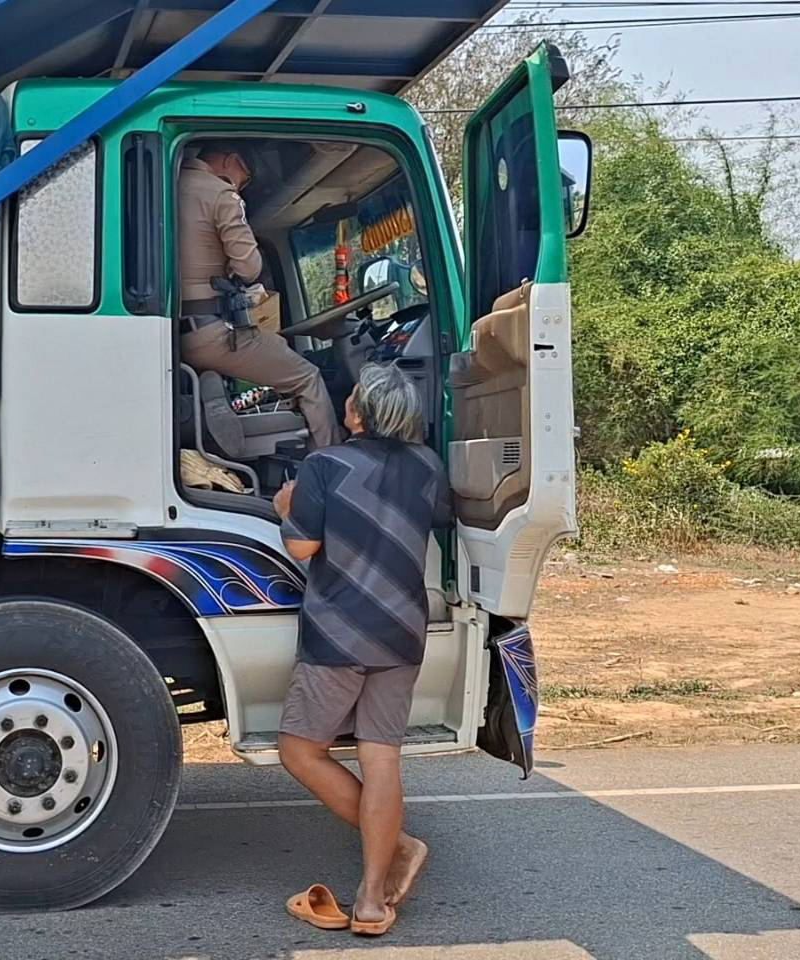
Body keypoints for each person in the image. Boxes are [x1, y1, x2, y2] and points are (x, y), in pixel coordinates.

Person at [272, 362, 452, 937]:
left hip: (339, 632)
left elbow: (302, 548)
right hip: (402, 630)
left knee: (301, 751)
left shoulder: (325, 465)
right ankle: (371, 903)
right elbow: (437, 519)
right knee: (381, 760)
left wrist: (286, 509)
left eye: (351, 397)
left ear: (358, 413)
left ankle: (401, 845)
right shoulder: (428, 466)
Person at [178, 141, 340, 449]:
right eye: (247, 176)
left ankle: (213, 394)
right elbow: (250, 268)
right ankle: (330, 463)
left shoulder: (170, 185)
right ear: (232, 160)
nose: (243, 185)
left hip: (177, 332)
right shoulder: (221, 194)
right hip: (210, 334)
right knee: (308, 377)